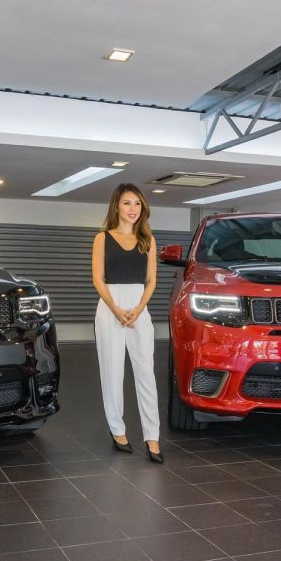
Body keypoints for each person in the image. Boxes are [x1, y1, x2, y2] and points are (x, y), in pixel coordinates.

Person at [92, 183, 163, 464]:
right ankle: (117, 429)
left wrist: (137, 309)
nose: (133, 209)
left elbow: (151, 280)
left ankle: (152, 436)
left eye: (137, 204)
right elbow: (97, 278)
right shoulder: (102, 238)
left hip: (138, 308)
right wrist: (117, 310)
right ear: (117, 206)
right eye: (127, 203)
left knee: (146, 372)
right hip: (110, 308)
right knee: (112, 372)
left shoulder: (148, 239)